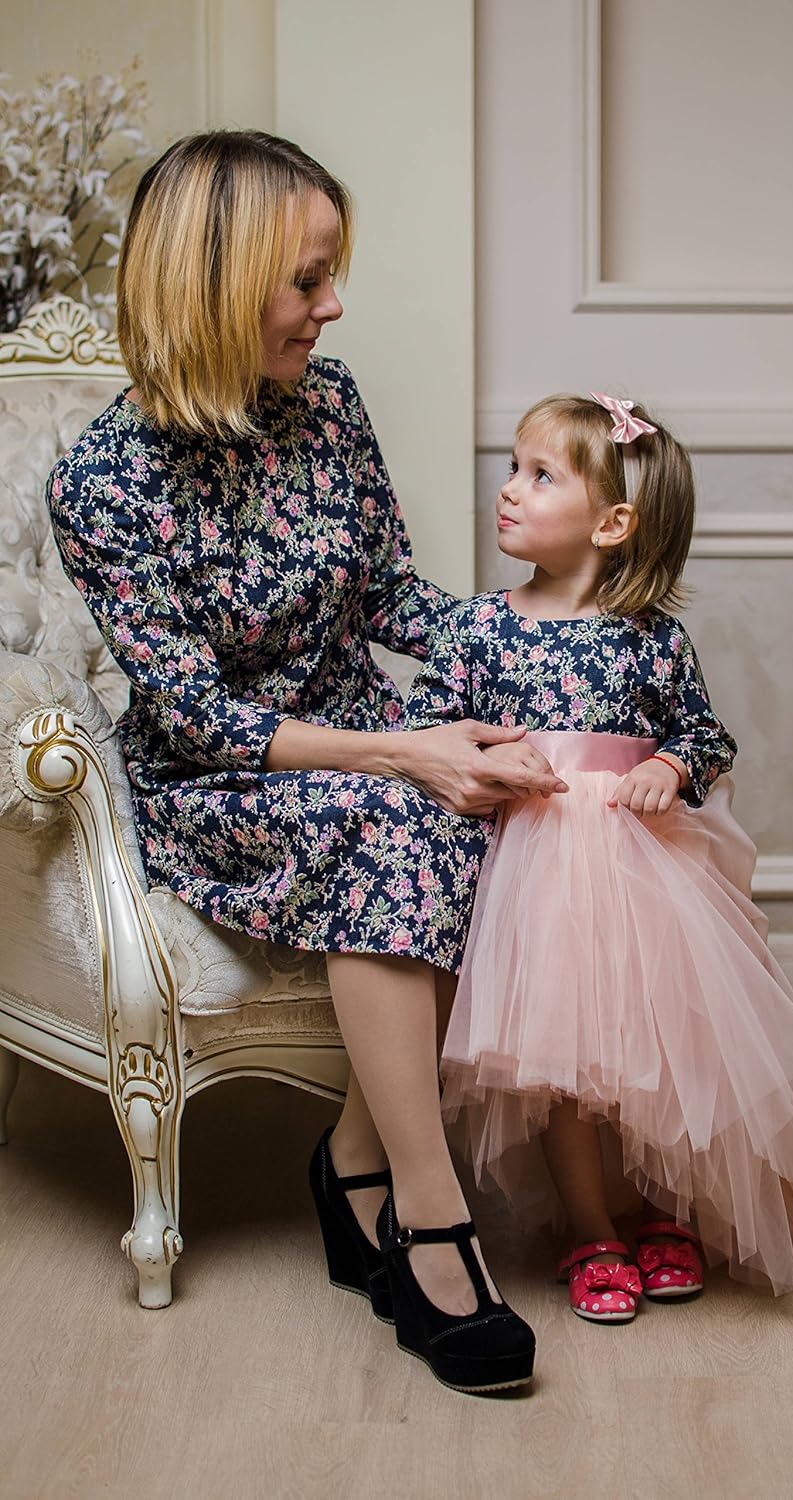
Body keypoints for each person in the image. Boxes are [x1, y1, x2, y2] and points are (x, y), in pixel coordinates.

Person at [46, 130, 562, 1392]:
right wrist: (404, 753)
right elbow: (201, 712)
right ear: (210, 279)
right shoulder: (103, 481)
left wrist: (553, 654)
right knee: (404, 817)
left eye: (333, 275)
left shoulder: (324, 403)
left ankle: (350, 1168)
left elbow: (389, 596)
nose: (333, 308)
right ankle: (430, 1226)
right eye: (306, 280)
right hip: (219, 782)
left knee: (500, 792)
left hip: (347, 730)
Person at [404, 391, 793, 1321]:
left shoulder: (652, 641)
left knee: (654, 1055)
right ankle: (591, 1230)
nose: (510, 491)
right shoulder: (479, 629)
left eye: (540, 476)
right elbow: (436, 735)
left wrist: (666, 764)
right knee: (568, 1073)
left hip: (641, 874)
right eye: (511, 469)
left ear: (613, 523)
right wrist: (494, 756)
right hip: (535, 879)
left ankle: (659, 1213)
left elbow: (706, 733)